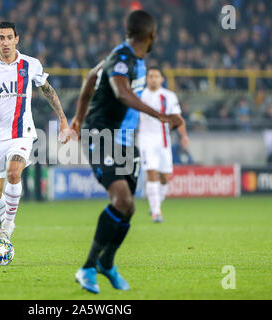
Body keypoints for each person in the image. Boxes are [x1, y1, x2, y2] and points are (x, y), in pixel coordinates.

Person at [70, 10, 183, 294]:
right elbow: (121, 93)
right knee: (121, 198)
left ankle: (107, 263)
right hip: (102, 134)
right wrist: (161, 116)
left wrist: (77, 118)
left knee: (129, 206)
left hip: (124, 141)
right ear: (152, 35)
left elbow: (90, 77)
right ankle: (87, 268)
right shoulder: (121, 58)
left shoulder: (136, 61)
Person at [0, 22, 70, 241]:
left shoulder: (30, 64)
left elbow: (47, 90)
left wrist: (63, 119)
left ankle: (8, 225)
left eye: (9, 37)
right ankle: (2, 227)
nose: (5, 42)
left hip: (22, 132)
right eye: (1, 38)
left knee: (13, 172)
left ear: (16, 39)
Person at [137, 66, 189, 223]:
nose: (152, 79)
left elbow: (177, 117)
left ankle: (156, 202)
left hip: (163, 139)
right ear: (146, 79)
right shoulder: (140, 95)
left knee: (165, 177)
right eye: (150, 76)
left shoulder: (169, 96)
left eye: (156, 76)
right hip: (146, 139)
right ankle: (156, 211)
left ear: (162, 79)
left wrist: (184, 136)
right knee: (151, 173)